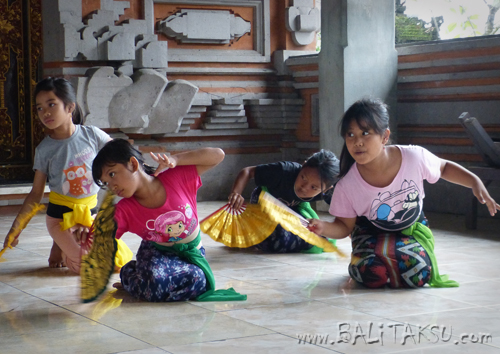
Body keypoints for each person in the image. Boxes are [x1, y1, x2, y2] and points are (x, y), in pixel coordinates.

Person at [309, 97, 500, 288]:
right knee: (372, 274)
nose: (357, 142)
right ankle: (372, 261)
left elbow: (443, 168)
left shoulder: (414, 157)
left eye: (365, 133)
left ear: (385, 136)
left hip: (410, 230)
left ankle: (398, 262)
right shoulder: (347, 185)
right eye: (350, 135)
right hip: (370, 232)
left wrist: (475, 182)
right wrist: (323, 228)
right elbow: (344, 226)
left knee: (417, 275)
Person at [3, 77, 131, 273]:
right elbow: (36, 193)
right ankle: (61, 241)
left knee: (114, 259)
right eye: (39, 108)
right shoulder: (45, 149)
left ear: (70, 107)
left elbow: (121, 153)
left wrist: (147, 171)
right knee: (88, 267)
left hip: (91, 213)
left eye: (51, 104)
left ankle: (64, 244)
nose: (45, 112)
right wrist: (16, 227)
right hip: (60, 217)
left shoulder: (92, 135)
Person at [92, 139, 246, 302]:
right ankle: (131, 274)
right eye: (106, 183)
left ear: (132, 164)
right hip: (156, 253)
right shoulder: (123, 210)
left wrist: (176, 160)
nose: (112, 186)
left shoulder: (176, 177)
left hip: (191, 252)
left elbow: (217, 155)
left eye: (112, 174)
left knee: (198, 279)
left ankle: (141, 279)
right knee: (156, 283)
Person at [227, 149, 340, 253]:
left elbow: (346, 216)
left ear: (326, 189)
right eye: (303, 178)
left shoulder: (329, 193)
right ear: (303, 165)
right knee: (275, 241)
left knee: (323, 236)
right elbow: (248, 171)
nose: (304, 187)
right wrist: (236, 193)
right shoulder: (283, 171)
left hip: (292, 209)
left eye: (313, 188)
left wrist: (352, 228)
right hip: (265, 203)